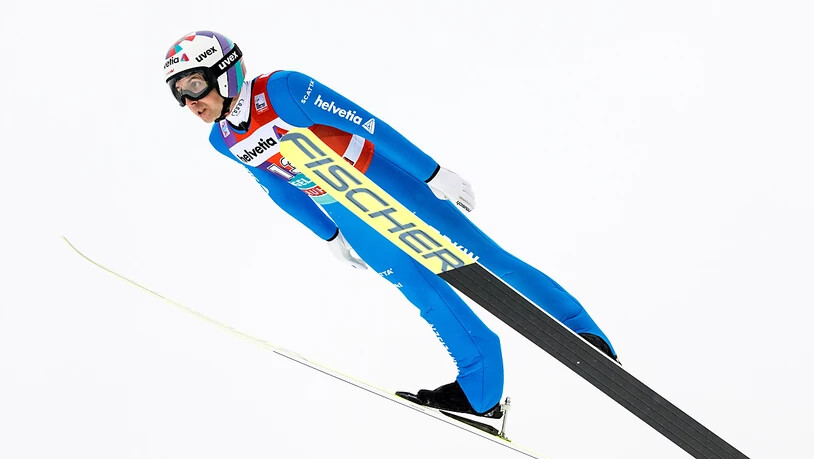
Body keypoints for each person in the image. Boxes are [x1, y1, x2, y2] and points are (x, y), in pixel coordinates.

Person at [163, 31, 617, 418]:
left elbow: (369, 126)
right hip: (348, 212)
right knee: (421, 290)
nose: (190, 102)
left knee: (485, 261)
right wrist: (330, 234)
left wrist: (433, 173)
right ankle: (481, 391)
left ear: (226, 72)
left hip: (390, 187)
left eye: (195, 85)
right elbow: (280, 188)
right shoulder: (223, 139)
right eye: (178, 93)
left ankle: (580, 330)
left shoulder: (284, 90)